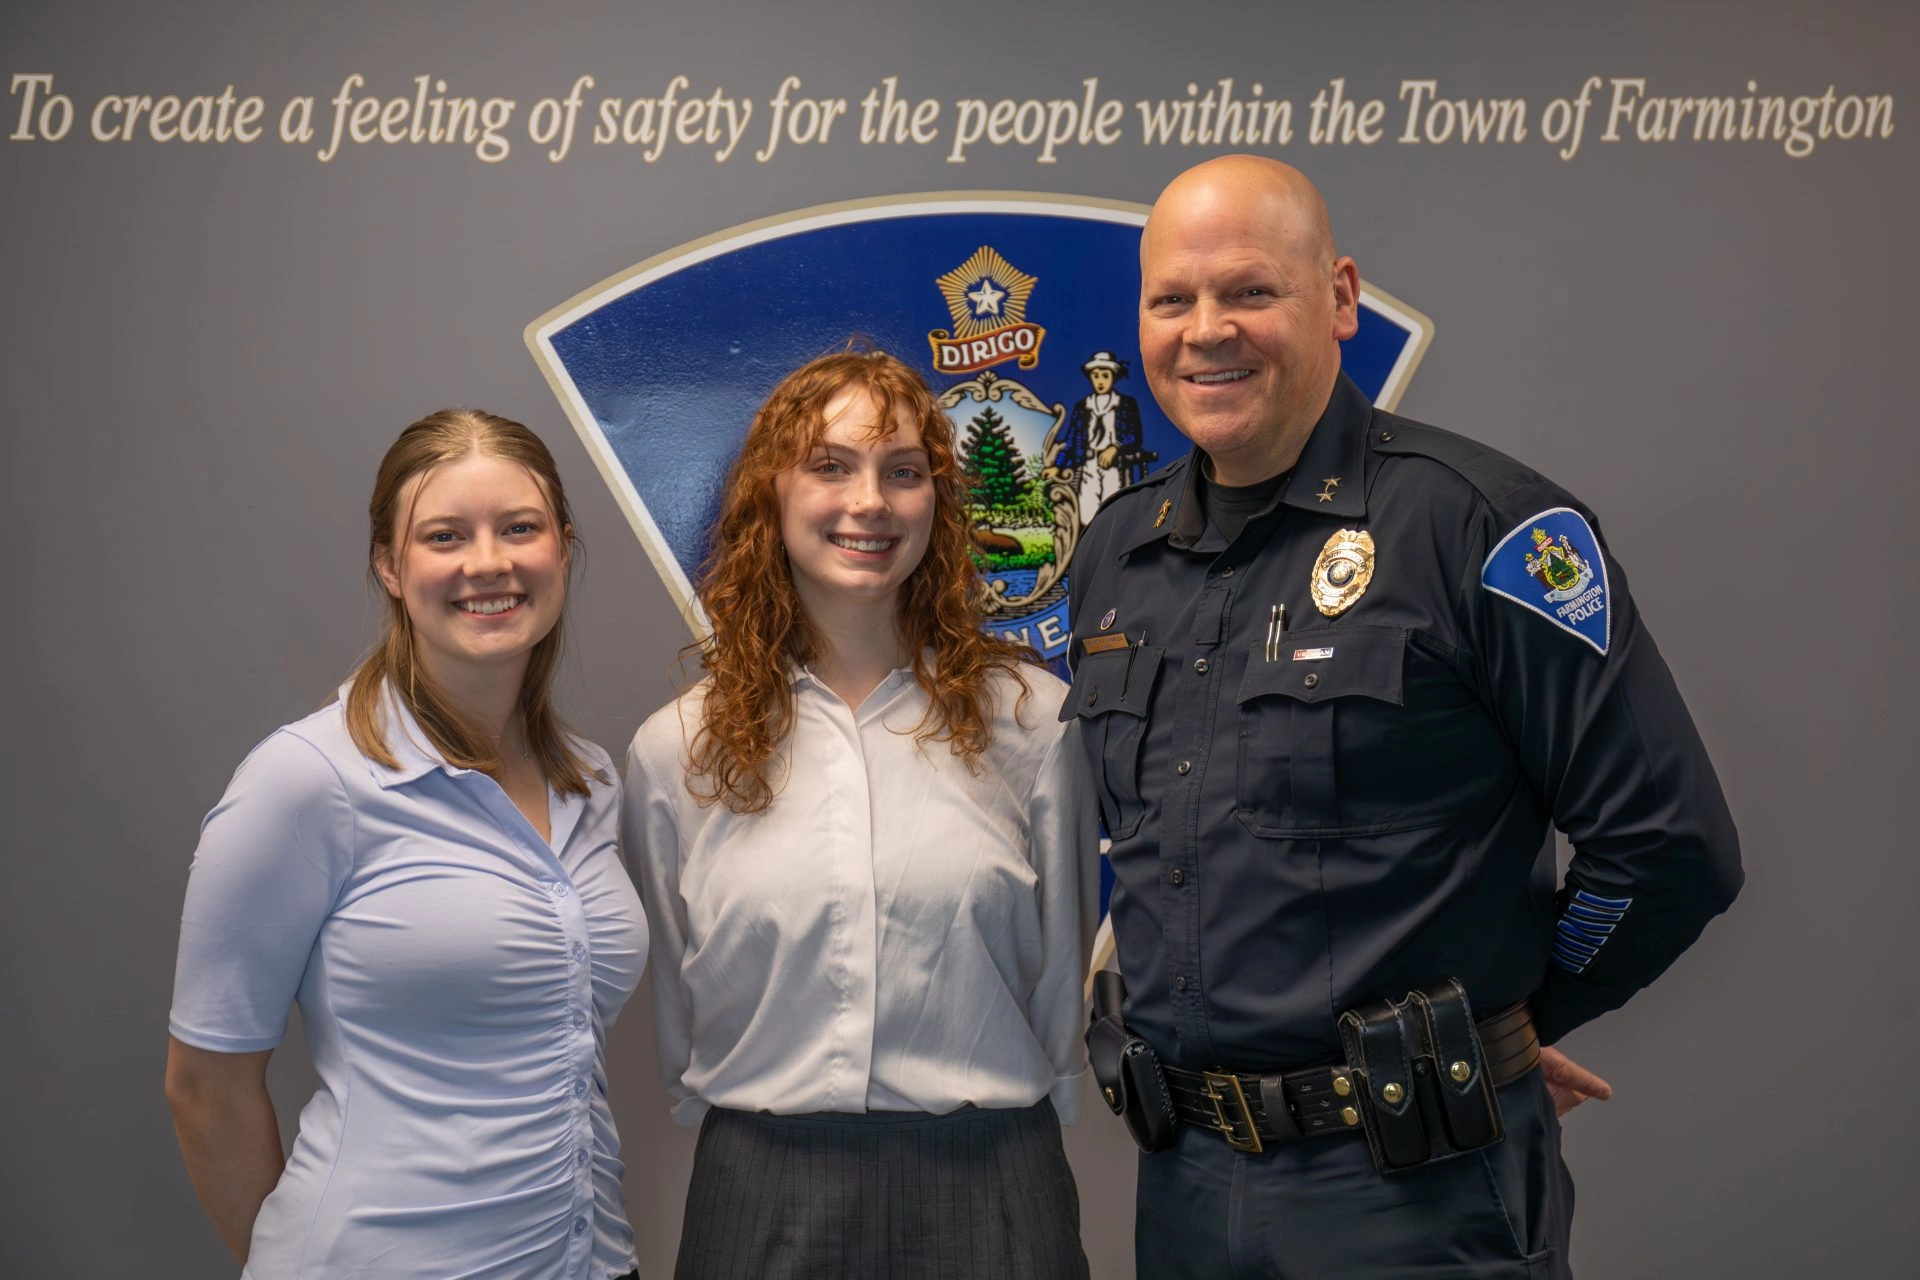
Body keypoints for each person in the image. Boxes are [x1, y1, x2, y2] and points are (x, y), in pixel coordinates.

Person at [1066, 155, 1742, 1276]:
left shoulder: (1483, 527)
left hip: (1410, 1191)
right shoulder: (1116, 555)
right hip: (1184, 1180)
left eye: (1249, 291)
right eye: (1171, 299)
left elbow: (1670, 849)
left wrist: (1509, 1024)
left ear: (1338, 297)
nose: (1206, 330)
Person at [624, 347, 1098, 1279]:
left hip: (993, 1180)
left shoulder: (1033, 723)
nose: (869, 502)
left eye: (904, 472)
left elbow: (1058, 978)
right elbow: (680, 1005)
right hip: (761, 1187)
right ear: (772, 497)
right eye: (831, 466)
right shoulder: (678, 750)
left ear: (939, 503)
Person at [165, 410, 648, 1279]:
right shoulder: (306, 781)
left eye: (521, 528)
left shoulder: (588, 780)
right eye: (444, 536)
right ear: (390, 566)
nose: (489, 562)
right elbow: (205, 1091)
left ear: (564, 551)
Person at [1050, 350, 1149, 528]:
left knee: (1115, 512)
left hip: (1115, 466)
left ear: (1113, 377)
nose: (1100, 381)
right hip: (1088, 465)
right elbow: (1072, 440)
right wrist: (1057, 467)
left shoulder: (1125, 404)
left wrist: (1115, 447)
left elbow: (1134, 437)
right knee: (1087, 515)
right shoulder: (1082, 407)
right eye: (1096, 376)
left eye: (1105, 375)